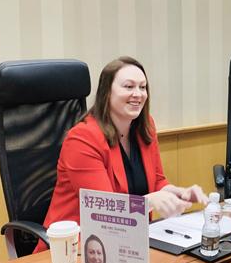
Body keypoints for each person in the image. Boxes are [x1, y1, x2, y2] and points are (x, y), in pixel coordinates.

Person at [37, 57, 207, 252]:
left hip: (128, 243)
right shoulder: (82, 139)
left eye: (143, 87)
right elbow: (102, 211)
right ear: (107, 92)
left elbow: (157, 181)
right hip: (77, 249)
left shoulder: (145, 127)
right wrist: (149, 202)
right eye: (128, 86)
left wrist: (178, 193)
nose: (138, 94)